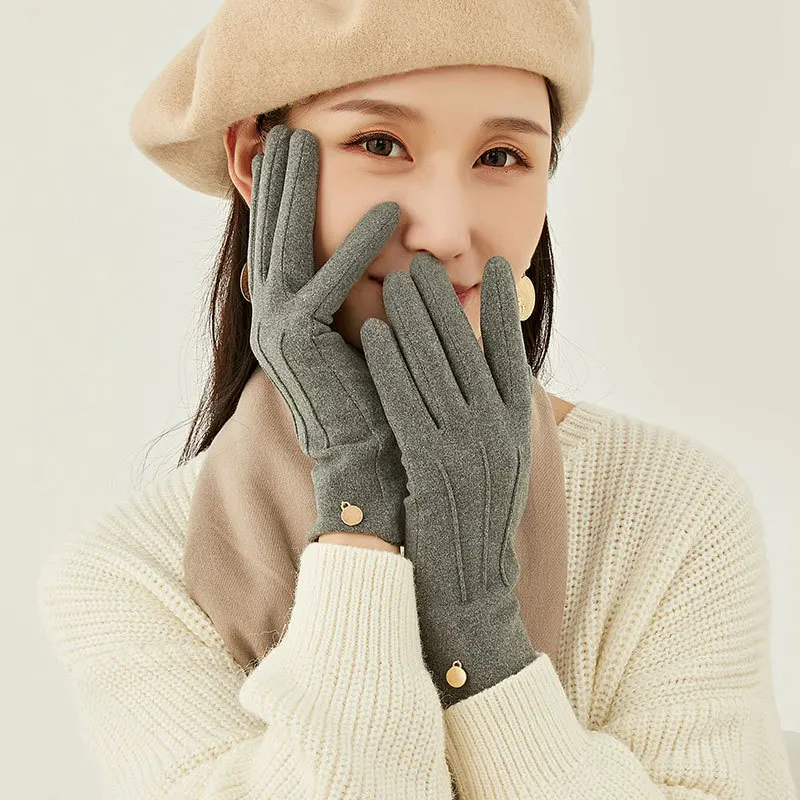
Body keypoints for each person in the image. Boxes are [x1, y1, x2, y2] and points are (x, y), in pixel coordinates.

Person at [36, 0, 797, 797]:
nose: (444, 229)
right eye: (379, 143)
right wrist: (360, 502)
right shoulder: (131, 577)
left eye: (502, 157)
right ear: (260, 165)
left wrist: (477, 623)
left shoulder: (674, 510)